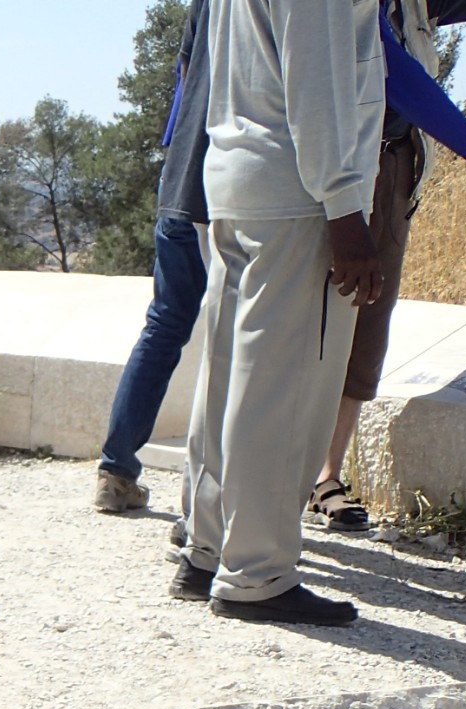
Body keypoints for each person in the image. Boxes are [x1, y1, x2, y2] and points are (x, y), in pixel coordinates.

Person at [174, 0, 384, 626]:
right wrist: (346, 210)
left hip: (239, 180)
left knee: (230, 378)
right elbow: (315, 84)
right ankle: (258, 574)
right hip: (299, 197)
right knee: (282, 390)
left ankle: (207, 550)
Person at [307, 0, 466, 532]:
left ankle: (326, 477)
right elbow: (397, 76)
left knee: (369, 325)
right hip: (329, 175)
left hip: (397, 166)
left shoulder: (423, 5)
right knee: (305, 327)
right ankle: (265, 482)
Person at [94, 0, 212, 515]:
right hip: (231, 188)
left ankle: (116, 471)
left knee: (163, 326)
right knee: (240, 338)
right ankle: (208, 500)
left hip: (179, 179)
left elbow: (185, 74)